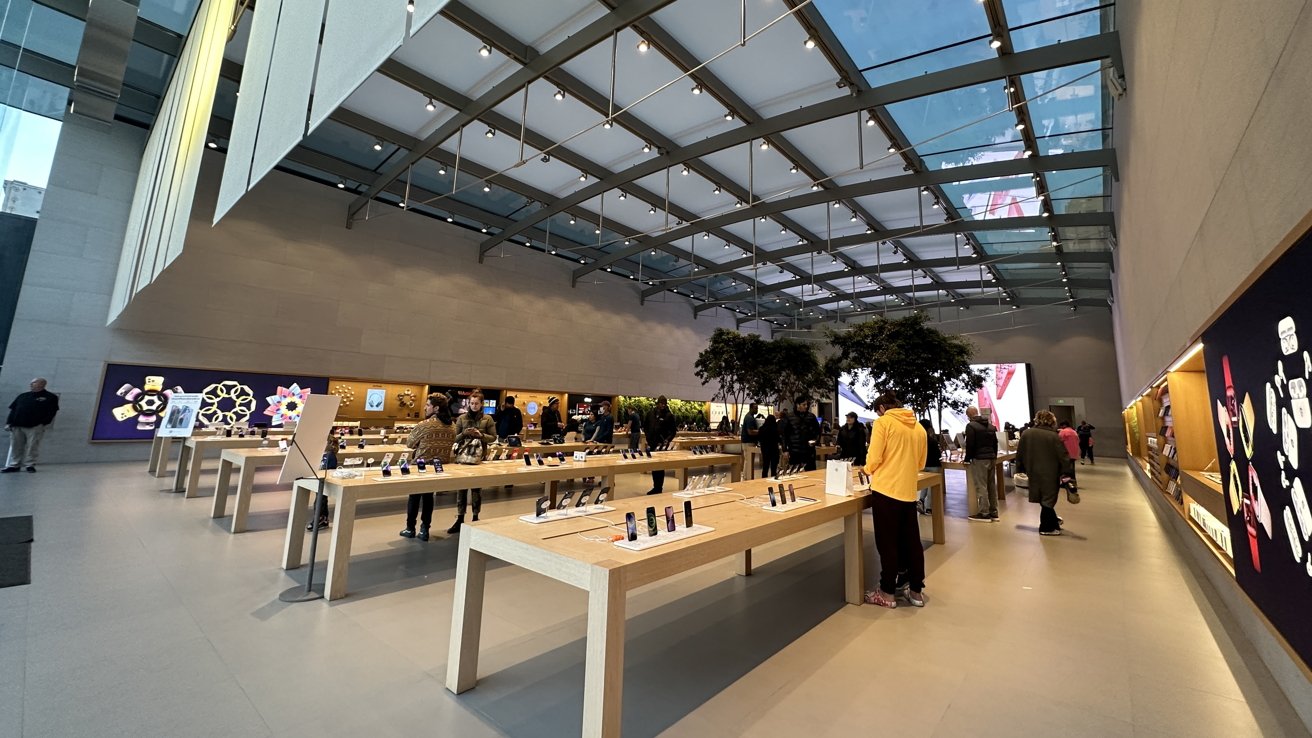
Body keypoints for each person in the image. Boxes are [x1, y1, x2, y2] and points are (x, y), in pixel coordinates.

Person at [863, 391, 929, 608]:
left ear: (882, 408)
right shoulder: (917, 427)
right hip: (908, 492)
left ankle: (887, 592)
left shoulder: (883, 424)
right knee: (911, 542)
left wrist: (866, 469)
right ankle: (916, 591)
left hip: (885, 491)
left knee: (887, 543)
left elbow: (874, 458)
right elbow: (920, 463)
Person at [401, 394, 456, 541]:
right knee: (428, 498)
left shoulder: (424, 425)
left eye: (427, 404)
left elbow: (410, 444)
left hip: (421, 467)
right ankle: (425, 529)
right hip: (438, 469)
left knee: (414, 497)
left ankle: (410, 528)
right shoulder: (452, 426)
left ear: (436, 408)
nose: (425, 407)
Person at [448, 388, 496, 534]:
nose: (474, 405)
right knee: (461, 488)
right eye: (472, 403)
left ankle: (475, 517)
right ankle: (460, 517)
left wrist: (480, 435)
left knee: (476, 489)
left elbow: (493, 437)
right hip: (463, 457)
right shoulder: (462, 419)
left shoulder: (487, 419)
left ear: (481, 404)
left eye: (476, 403)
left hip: (479, 457)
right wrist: (464, 433)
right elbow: (454, 438)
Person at [1017, 410, 1069, 536]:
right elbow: (1063, 456)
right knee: (1048, 499)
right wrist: (1067, 473)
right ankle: (1046, 527)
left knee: (1043, 498)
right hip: (1050, 472)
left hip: (1033, 471)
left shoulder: (1026, 433)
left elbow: (1020, 453)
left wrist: (1020, 470)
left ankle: (1053, 523)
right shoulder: (1053, 436)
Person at [4, 378, 60, 473]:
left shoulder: (50, 397)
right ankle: (14, 464)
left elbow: (52, 412)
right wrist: (9, 423)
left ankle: (30, 464)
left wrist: (43, 423)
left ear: (42, 384)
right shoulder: (23, 396)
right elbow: (13, 410)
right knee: (16, 445)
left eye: (34, 382)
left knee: (32, 446)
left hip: (35, 426)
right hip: (17, 425)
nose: (31, 384)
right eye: (31, 382)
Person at [964, 405, 1000, 523]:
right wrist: (993, 455)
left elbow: (970, 444)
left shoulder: (971, 426)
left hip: (979, 459)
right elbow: (995, 443)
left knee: (981, 485)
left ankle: (984, 513)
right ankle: (994, 512)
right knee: (991, 485)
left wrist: (967, 458)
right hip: (991, 458)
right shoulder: (990, 426)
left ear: (969, 415)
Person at [644, 396, 678, 494]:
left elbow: (673, 431)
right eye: (661, 403)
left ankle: (659, 487)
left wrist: (667, 440)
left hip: (661, 445)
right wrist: (648, 437)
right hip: (652, 443)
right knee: (654, 466)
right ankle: (656, 487)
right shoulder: (650, 413)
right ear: (657, 403)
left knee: (660, 467)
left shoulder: (669, 415)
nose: (663, 405)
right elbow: (646, 426)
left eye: (664, 403)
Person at [780, 395, 820, 471]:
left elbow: (817, 431)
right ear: (798, 405)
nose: (806, 406)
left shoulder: (811, 417)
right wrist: (785, 450)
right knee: (794, 473)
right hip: (795, 451)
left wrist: (815, 441)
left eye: (807, 404)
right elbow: (784, 435)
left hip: (809, 451)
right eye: (804, 404)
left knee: (811, 473)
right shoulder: (789, 417)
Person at [917, 418, 943, 515]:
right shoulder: (932, 440)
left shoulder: (918, 440)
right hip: (933, 465)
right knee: (931, 487)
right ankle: (929, 508)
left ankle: (921, 500)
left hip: (923, 465)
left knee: (924, 485)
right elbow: (938, 455)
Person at [757, 409, 781, 478]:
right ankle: (773, 478)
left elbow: (759, 438)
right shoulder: (775, 429)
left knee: (765, 466)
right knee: (774, 467)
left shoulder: (762, 428)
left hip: (765, 450)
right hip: (774, 450)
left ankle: (763, 480)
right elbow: (778, 439)